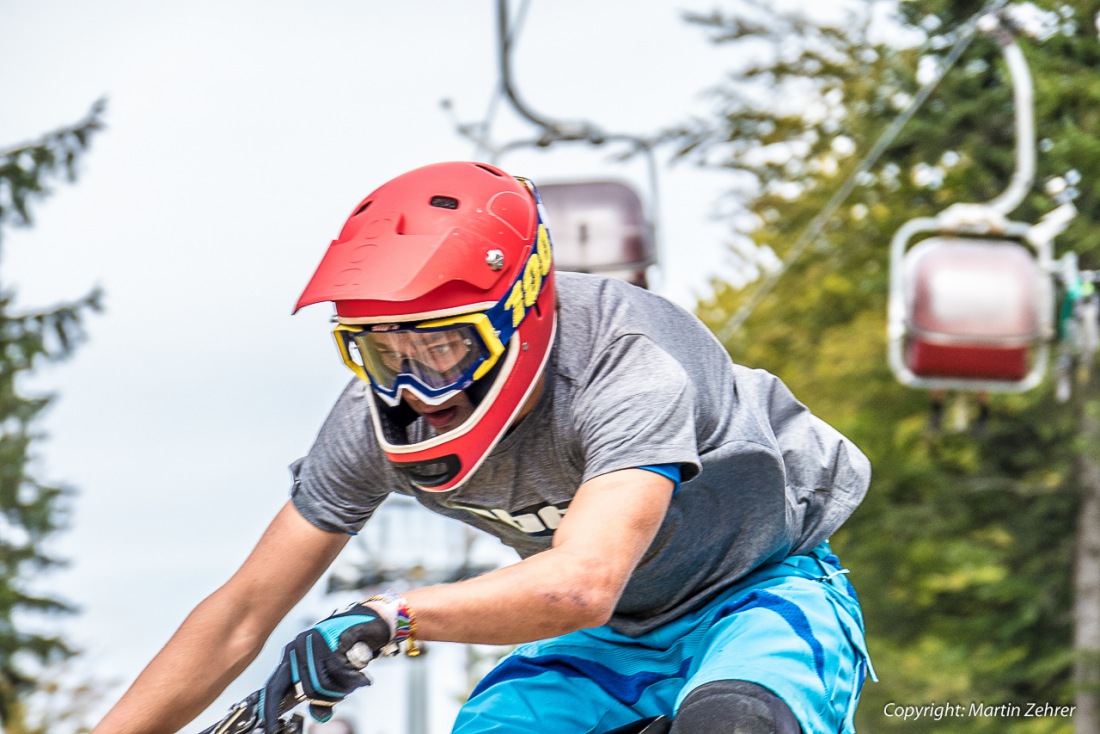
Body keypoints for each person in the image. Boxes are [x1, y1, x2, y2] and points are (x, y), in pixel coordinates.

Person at [92, 161, 875, 734]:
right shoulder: (369, 422)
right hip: (605, 639)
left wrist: (386, 617)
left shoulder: (627, 361)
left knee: (732, 726)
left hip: (755, 591)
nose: (416, 391)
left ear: (524, 309)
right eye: (382, 351)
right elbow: (240, 615)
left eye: (443, 347)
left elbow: (581, 583)